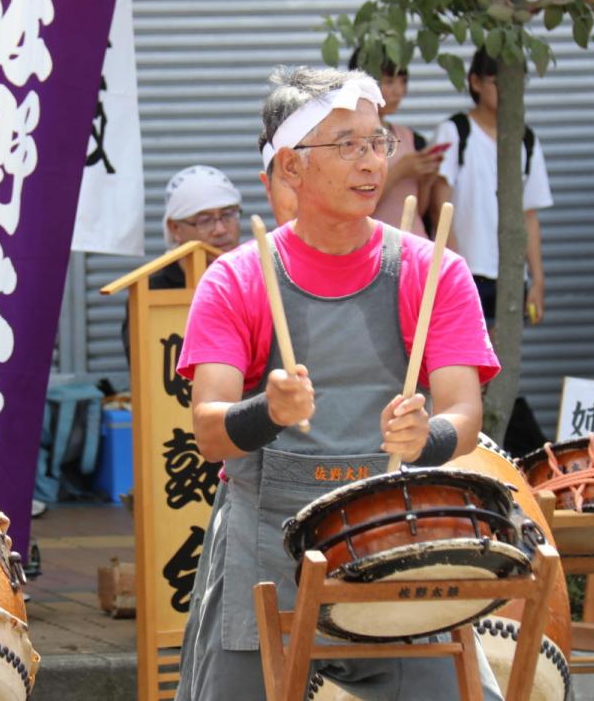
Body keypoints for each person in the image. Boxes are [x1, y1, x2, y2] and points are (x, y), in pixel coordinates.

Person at [175, 66, 501, 700]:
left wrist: (425, 437)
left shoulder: (432, 271)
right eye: (346, 145)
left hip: (394, 533)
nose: (371, 161)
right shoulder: (235, 279)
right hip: (266, 545)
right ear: (291, 168)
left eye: (377, 141)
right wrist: (267, 410)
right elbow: (210, 432)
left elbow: (465, 414)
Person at [431, 48, 553, 329]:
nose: (509, 91)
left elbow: (530, 216)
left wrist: (537, 279)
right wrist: (452, 273)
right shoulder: (455, 132)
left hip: (510, 274)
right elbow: (440, 208)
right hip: (465, 272)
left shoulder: (526, 139)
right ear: (475, 82)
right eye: (498, 82)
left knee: (502, 361)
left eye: (517, 83)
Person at [120, 164, 243, 361]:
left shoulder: (257, 277)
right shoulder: (152, 290)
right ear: (175, 228)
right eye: (205, 220)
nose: (220, 229)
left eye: (228, 215)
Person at [348, 49, 445, 237]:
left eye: (403, 82)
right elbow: (354, 205)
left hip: (414, 244)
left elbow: (418, 209)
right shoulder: (349, 140)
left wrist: (426, 180)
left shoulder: (409, 137)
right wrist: (401, 170)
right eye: (389, 81)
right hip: (375, 247)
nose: (398, 91)